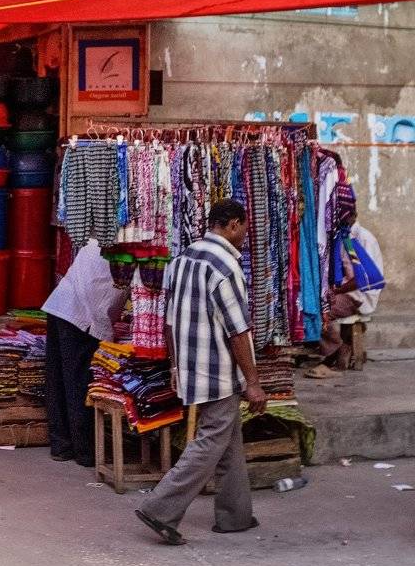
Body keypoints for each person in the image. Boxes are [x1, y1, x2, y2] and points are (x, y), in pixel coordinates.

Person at [136, 200, 266, 546]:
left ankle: (236, 515)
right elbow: (238, 331)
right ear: (234, 224)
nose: (246, 235)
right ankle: (159, 508)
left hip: (191, 366)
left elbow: (168, 322)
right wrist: (253, 382)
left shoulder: (183, 259)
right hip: (218, 371)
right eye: (245, 227)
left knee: (228, 440)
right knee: (211, 441)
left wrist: (175, 365)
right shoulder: (225, 266)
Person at [42, 239, 125, 467]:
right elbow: (100, 300)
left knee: (58, 379)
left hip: (60, 306)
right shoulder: (123, 251)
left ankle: (61, 446)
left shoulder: (98, 241)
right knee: (78, 381)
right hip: (79, 315)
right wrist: (106, 333)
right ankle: (85, 450)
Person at [312, 198, 384, 375]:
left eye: (345, 215)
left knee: (321, 309)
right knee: (309, 304)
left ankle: (336, 349)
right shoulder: (341, 236)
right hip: (346, 289)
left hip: (360, 295)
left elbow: (364, 278)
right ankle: (336, 347)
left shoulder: (363, 239)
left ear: (354, 215)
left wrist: (335, 290)